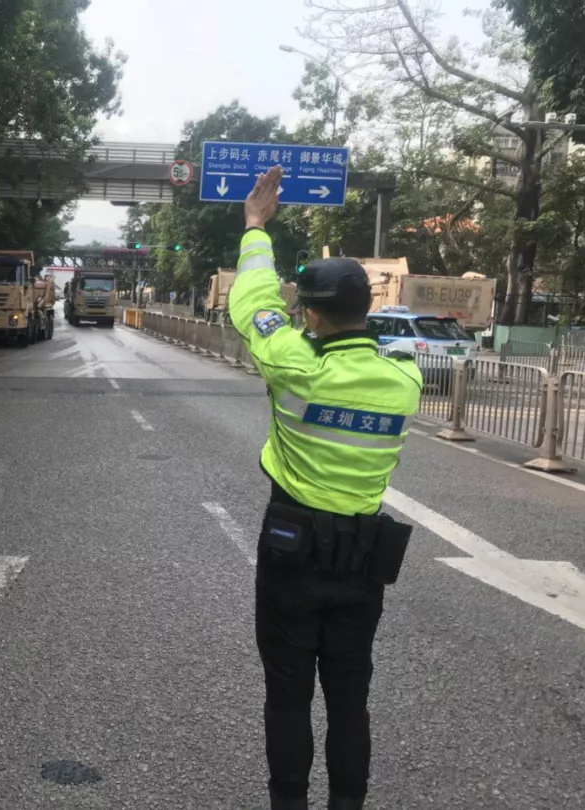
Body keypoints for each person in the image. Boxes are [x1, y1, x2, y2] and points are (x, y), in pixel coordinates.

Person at [228, 166, 423, 810]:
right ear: (368, 308)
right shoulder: (405, 382)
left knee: (287, 697)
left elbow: (252, 304)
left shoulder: (294, 367)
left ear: (309, 313)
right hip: (362, 564)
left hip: (292, 555)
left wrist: (256, 228)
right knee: (349, 699)